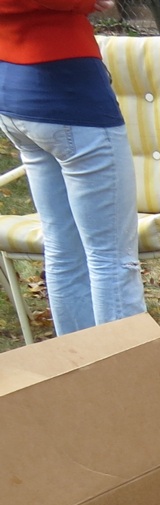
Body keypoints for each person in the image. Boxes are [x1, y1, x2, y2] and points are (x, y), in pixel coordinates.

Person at [0, 0, 145, 336]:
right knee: (111, 258)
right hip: (66, 91)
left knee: (64, 250)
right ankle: (127, 376)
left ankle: (80, 370)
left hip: (14, 90)